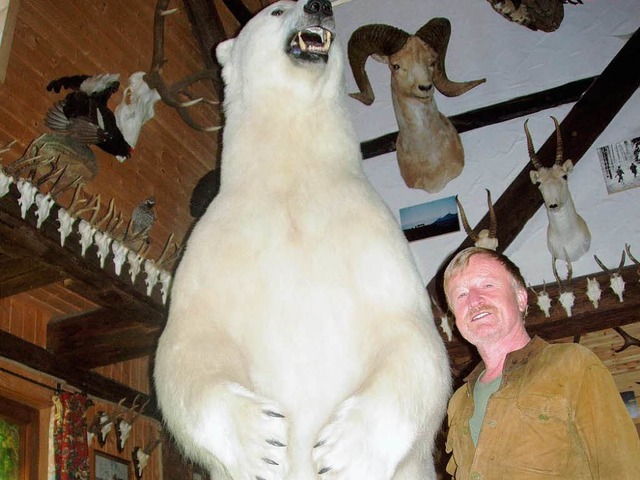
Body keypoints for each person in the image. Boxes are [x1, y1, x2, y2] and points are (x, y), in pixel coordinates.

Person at [442, 246, 640, 479]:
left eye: (487, 285)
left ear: (521, 298)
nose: (474, 300)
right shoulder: (458, 402)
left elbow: (622, 469)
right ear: (456, 317)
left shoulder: (572, 364)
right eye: (461, 294)